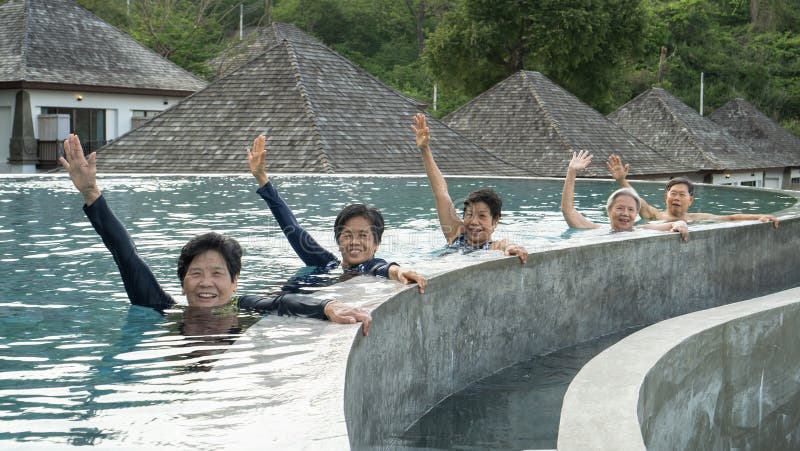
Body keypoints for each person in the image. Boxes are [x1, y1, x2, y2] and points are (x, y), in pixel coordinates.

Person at [58, 134, 371, 336]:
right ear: (183, 282)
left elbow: (283, 302)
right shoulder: (166, 311)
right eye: (196, 273)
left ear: (234, 282)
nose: (206, 282)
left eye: (217, 273)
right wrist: (91, 193)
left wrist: (327, 306)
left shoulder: (240, 307)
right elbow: (126, 256)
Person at [246, 134, 427, 293]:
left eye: (363, 235)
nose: (354, 242)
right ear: (338, 241)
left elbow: (385, 268)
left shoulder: (370, 266)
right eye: (347, 235)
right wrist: (262, 178)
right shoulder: (327, 264)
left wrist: (400, 271)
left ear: (376, 244)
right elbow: (292, 228)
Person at [409, 113, 528, 263]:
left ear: (495, 220)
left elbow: (506, 244)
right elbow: (441, 193)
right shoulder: (455, 233)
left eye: (482, 216)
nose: (474, 222)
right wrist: (425, 150)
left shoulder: (493, 247)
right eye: (469, 214)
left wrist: (512, 247)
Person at [606, 154, 780, 227]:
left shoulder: (697, 218)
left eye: (682, 195)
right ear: (665, 196)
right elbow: (636, 199)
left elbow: (731, 217)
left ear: (691, 200)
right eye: (673, 194)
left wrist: (759, 216)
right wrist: (621, 180)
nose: (677, 198)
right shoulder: (655, 215)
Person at [562, 150, 689, 240]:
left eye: (631, 209)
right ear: (609, 210)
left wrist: (680, 224)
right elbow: (568, 211)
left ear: (636, 214)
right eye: (620, 208)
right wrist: (572, 171)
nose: (625, 213)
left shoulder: (642, 230)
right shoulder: (596, 229)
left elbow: (673, 224)